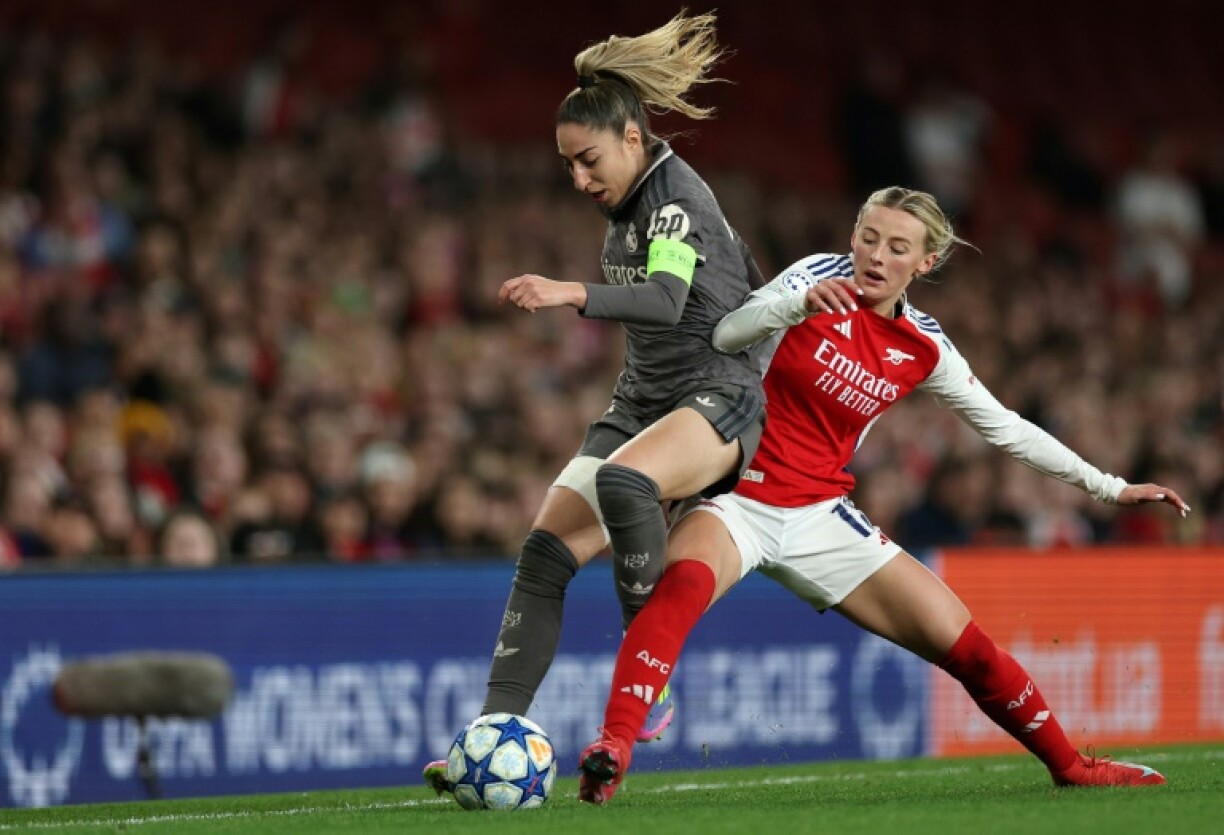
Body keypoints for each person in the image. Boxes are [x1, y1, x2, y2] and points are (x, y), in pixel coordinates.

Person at [576, 186, 1190, 804]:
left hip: (821, 514)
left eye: (897, 247)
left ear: (924, 264)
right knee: (680, 588)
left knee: (971, 650)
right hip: (737, 493)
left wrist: (1109, 487)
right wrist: (792, 307)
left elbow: (1004, 426)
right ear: (853, 236)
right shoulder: (816, 277)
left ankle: (1071, 767)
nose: (876, 255)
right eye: (868, 238)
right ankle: (614, 747)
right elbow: (727, 335)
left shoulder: (923, 345)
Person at [424, 12, 767, 794]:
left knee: (623, 482)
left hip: (715, 398)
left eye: (588, 160)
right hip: (642, 400)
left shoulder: (674, 194)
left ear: (634, 140)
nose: (578, 179)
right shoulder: (629, 204)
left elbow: (669, 298)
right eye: (567, 166)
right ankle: (489, 732)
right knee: (543, 554)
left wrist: (567, 291)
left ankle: (651, 676)